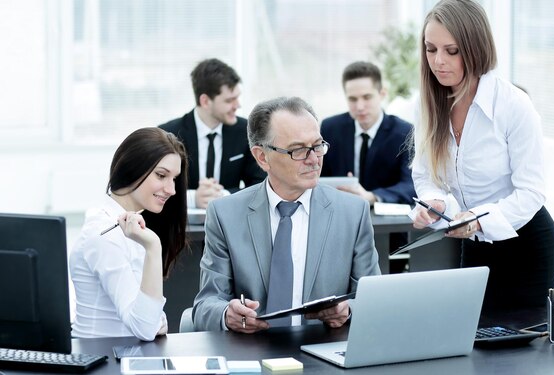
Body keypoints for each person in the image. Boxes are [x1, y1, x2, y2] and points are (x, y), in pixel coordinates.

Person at [411, 0, 554, 313]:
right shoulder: (430, 104)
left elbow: (531, 192)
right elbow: (425, 175)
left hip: (527, 245)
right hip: (475, 245)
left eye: (451, 51)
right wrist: (436, 202)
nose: (438, 61)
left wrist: (479, 222)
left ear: (475, 48)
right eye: (430, 49)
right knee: (474, 342)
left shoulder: (514, 106)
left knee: (524, 350)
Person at [192, 96, 381, 333]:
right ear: (262, 157)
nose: (314, 159)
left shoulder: (353, 212)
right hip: (252, 353)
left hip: (323, 354)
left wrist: (348, 309)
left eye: (318, 145)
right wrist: (227, 314)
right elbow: (204, 306)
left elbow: (374, 301)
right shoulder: (224, 214)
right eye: (298, 150)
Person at [70, 127, 189, 340]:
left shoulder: (128, 225)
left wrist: (154, 320)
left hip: (125, 354)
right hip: (101, 361)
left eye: (174, 179)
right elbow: (145, 327)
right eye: (161, 175)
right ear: (132, 168)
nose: (171, 189)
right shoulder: (105, 233)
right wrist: (153, 246)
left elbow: (155, 320)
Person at [159, 58, 265, 209]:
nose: (237, 105)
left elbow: (261, 184)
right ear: (205, 101)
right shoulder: (168, 134)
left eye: (237, 98)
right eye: (229, 100)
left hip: (231, 219)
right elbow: (152, 188)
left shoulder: (247, 131)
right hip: (180, 225)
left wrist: (223, 196)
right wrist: (192, 198)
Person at [320, 61, 414, 206]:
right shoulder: (330, 128)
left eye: (367, 97)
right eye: (352, 99)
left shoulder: (404, 132)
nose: (359, 106)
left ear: (382, 94)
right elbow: (318, 177)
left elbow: (411, 185)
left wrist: (372, 197)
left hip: (386, 223)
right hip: (340, 212)